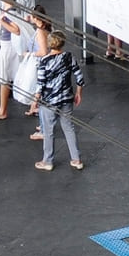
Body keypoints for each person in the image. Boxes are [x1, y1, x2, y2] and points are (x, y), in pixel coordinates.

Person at [31, 30, 84, 172]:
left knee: (48, 131)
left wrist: (34, 101)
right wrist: (78, 92)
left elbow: (40, 84)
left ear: (50, 44)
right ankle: (76, 159)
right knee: (69, 127)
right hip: (67, 99)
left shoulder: (44, 61)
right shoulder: (69, 57)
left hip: (49, 101)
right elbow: (79, 76)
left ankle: (47, 161)